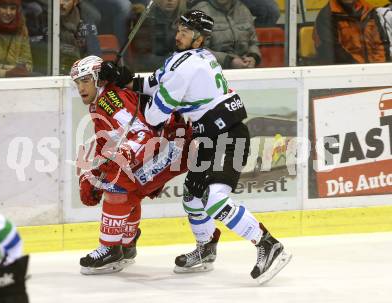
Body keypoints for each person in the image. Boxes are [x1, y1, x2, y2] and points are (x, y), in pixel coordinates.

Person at [111, 10, 291, 283]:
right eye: (179, 29)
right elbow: (154, 82)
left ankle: (268, 244)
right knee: (193, 197)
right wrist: (126, 80)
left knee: (215, 199)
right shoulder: (190, 59)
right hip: (209, 137)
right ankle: (206, 249)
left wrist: (137, 96)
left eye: (185, 32)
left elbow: (155, 116)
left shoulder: (187, 66)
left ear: (200, 39)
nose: (178, 35)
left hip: (228, 137)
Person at [70, 55, 191, 274]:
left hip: (175, 143)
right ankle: (125, 245)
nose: (80, 87)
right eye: (77, 82)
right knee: (127, 188)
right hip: (170, 141)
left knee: (119, 184)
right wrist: (95, 172)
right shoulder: (101, 101)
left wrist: (118, 160)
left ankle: (110, 247)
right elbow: (107, 141)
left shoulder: (109, 99)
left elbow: (142, 133)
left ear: (99, 79)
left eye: (86, 80)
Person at [313, 0, 390, 65]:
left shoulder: (369, 11)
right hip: (346, 74)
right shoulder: (326, 17)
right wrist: (360, 70)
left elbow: (380, 45)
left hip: (374, 71)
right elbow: (331, 53)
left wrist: (379, 68)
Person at [190, 0, 261, 69]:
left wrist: (253, 57)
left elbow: (253, 42)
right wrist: (228, 61)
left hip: (245, 71)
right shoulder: (199, 13)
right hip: (214, 72)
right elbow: (197, 50)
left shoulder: (243, 10)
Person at [129, 0, 187, 72]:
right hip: (149, 72)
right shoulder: (145, 18)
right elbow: (142, 58)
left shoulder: (185, 20)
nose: (170, 0)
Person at [59, 0, 101, 75]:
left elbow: (94, 58)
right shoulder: (46, 20)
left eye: (66, 0)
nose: (61, 3)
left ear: (75, 2)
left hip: (79, 75)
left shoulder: (87, 24)